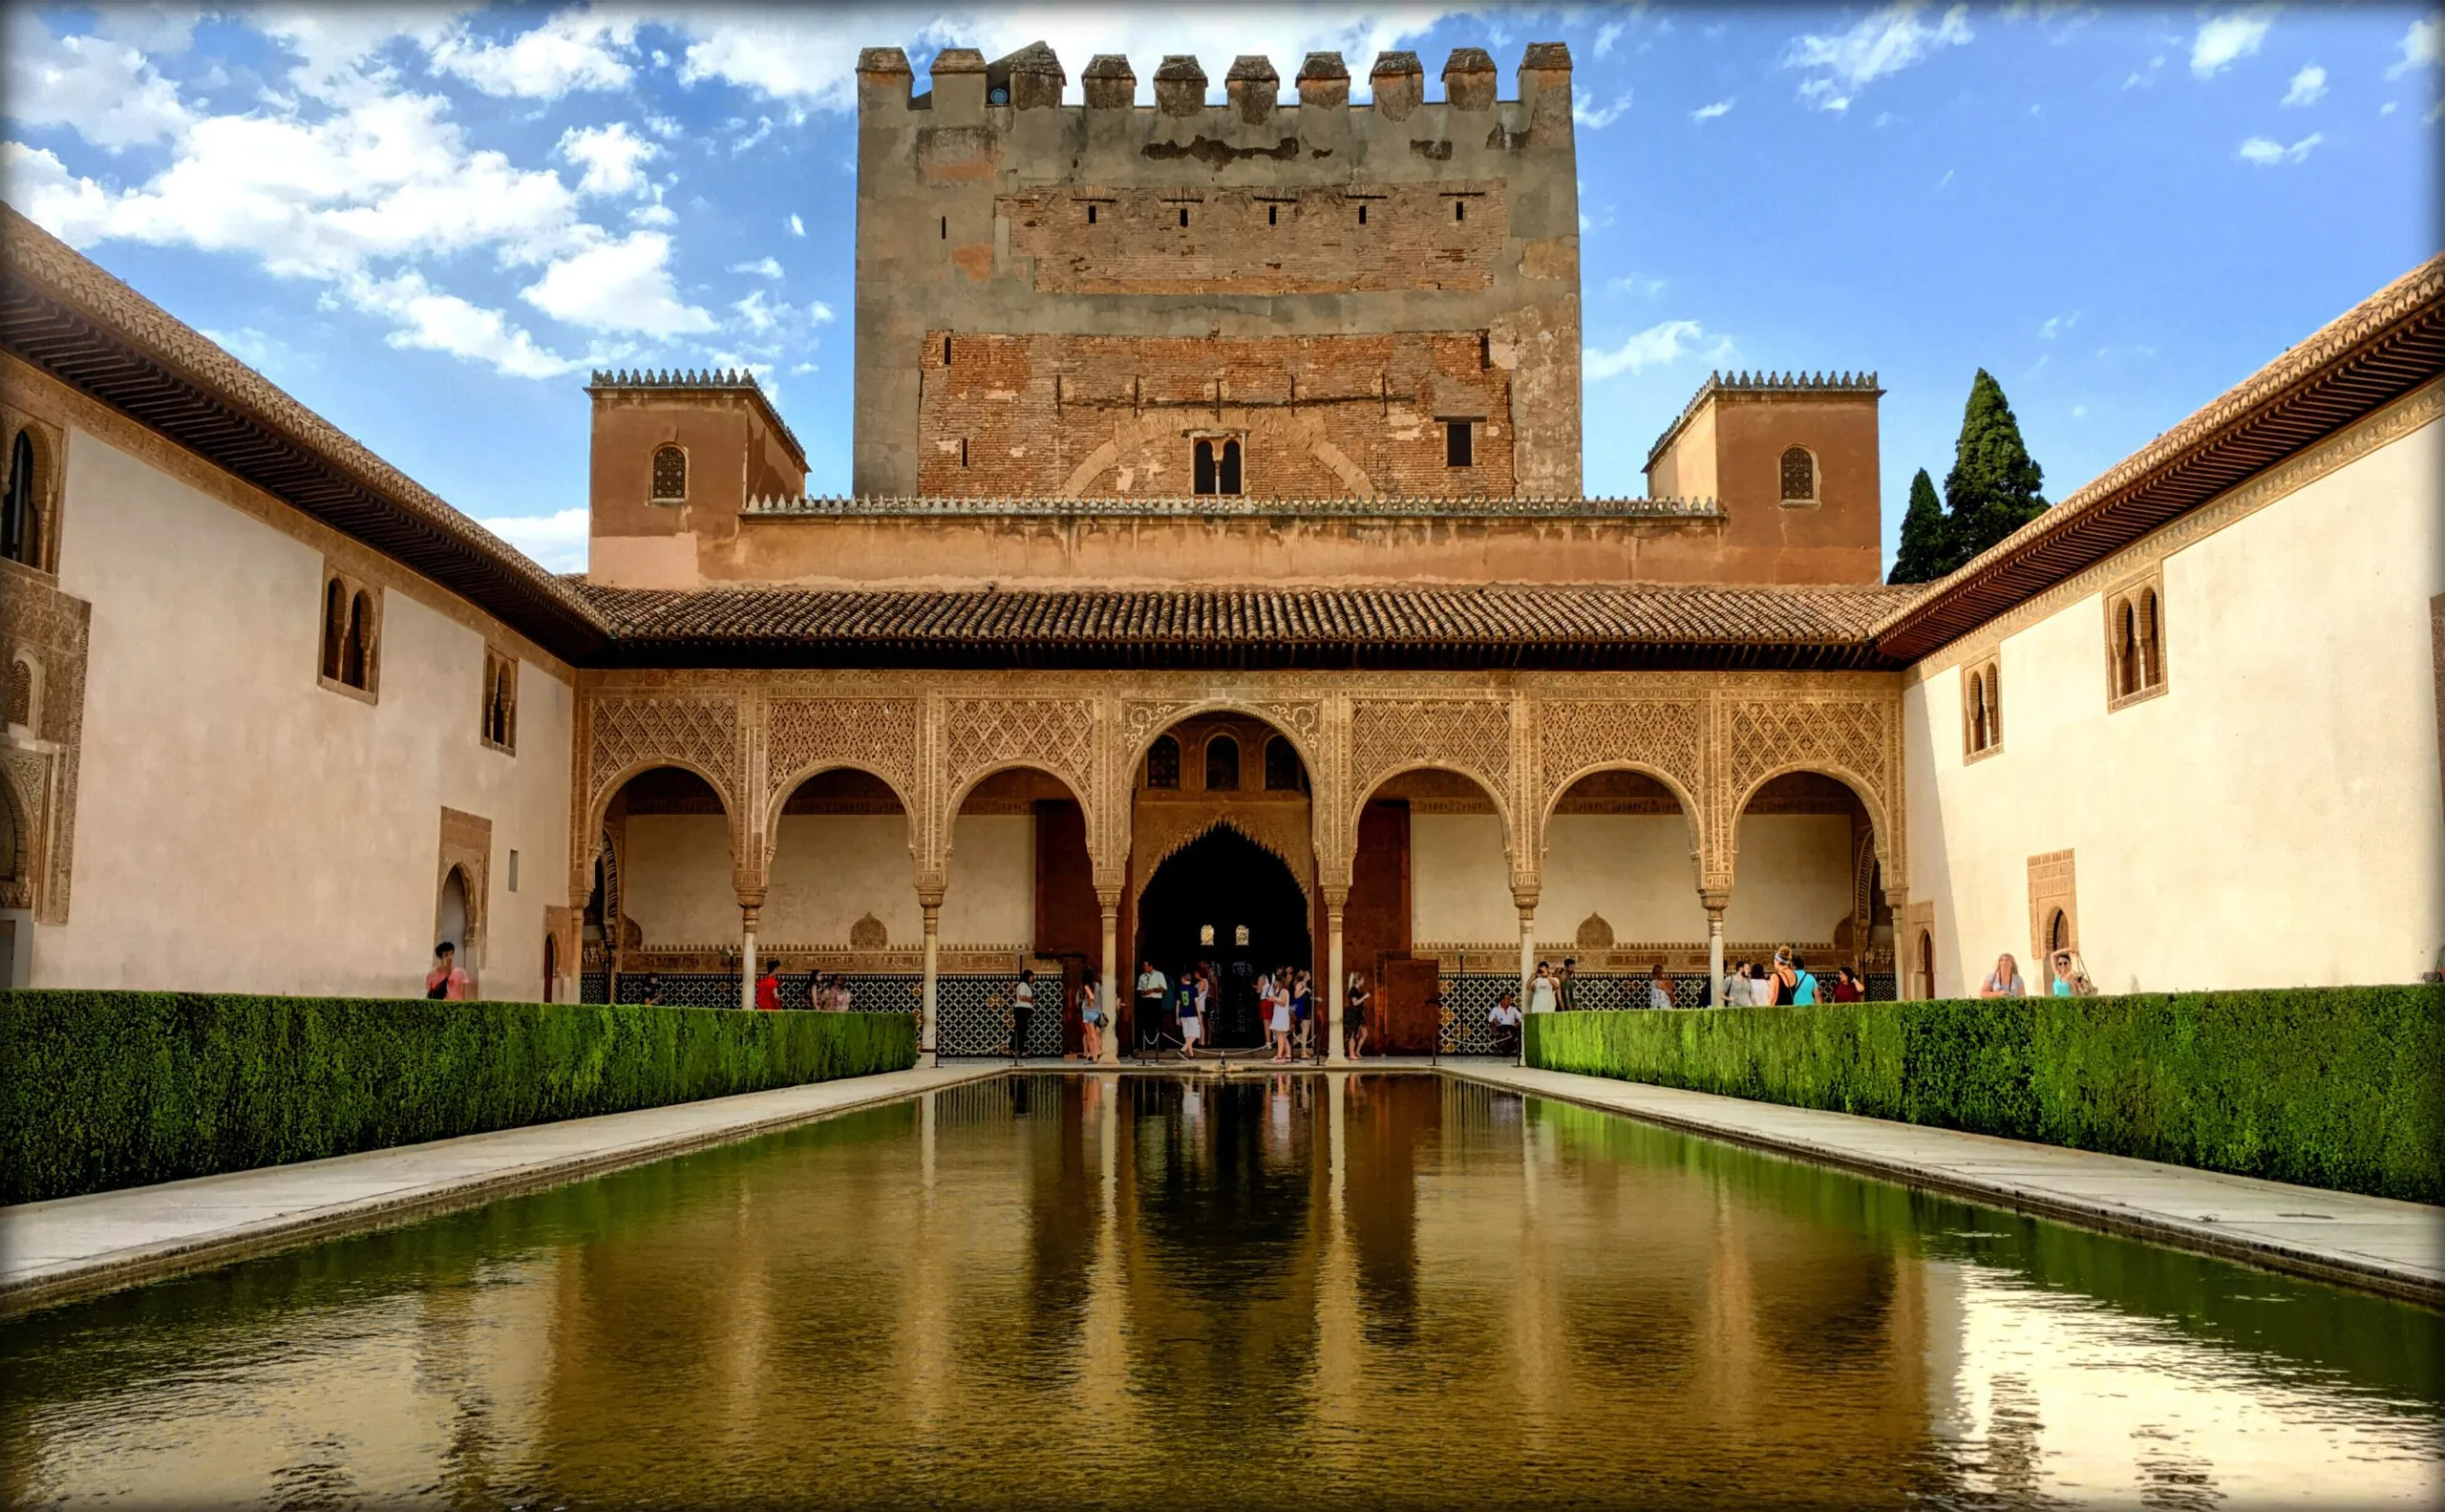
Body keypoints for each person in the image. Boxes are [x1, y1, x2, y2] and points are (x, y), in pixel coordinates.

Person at [1136, 960, 1167, 1043]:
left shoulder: (1159, 975)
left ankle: (1159, 1043)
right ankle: (1145, 1043)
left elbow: (1163, 988)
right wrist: (1143, 992)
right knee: (1145, 1022)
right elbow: (1139, 988)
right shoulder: (1142, 976)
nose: (1144, 968)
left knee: (1157, 1022)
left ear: (1151, 966)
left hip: (1155, 1001)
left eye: (1145, 966)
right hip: (1145, 1001)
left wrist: (1152, 990)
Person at [1488, 990, 1523, 1056]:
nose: (1510, 1000)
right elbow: (1490, 1019)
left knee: (1511, 1032)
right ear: (1502, 1000)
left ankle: (1506, 1049)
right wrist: (1494, 1020)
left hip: (1512, 1028)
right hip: (1501, 1028)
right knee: (1503, 1032)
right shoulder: (1496, 1009)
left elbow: (1521, 1017)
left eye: (1510, 999)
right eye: (1508, 999)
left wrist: (1517, 1024)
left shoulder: (1513, 1009)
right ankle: (1504, 1049)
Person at [1268, 971, 1294, 1062]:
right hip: (1278, 1014)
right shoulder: (1278, 990)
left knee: (1280, 1036)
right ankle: (1288, 1054)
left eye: (1275, 980)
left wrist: (1274, 999)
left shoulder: (1284, 991)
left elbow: (1283, 1002)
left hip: (1282, 1016)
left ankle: (1279, 1055)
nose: (1274, 982)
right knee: (1282, 1036)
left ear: (1279, 982)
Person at [1179, 970, 1204, 1058]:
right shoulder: (1193, 989)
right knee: (1195, 1034)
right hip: (1192, 1014)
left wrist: (1177, 1017)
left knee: (1187, 1035)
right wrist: (1199, 1015)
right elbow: (1196, 1003)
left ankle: (1191, 1054)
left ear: (1184, 979)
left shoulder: (1179, 989)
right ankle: (1182, 1050)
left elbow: (1178, 1004)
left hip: (1183, 1014)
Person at [1010, 969, 1036, 1058]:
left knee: (1021, 1030)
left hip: (1023, 1010)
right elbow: (1021, 997)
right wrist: (1031, 1000)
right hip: (1022, 1010)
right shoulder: (1023, 985)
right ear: (1028, 976)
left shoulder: (1024, 985)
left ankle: (1018, 1049)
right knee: (1020, 1030)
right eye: (1032, 977)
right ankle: (1017, 1049)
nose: (1033, 979)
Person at [1346, 971, 1371, 1058]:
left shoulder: (1357, 990)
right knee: (1354, 1034)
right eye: (1363, 980)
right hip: (1354, 1015)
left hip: (1359, 1014)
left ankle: (1357, 1051)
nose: (1364, 981)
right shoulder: (1353, 990)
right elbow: (1355, 1003)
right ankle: (1351, 1054)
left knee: (1364, 1033)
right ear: (1358, 981)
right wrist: (1364, 997)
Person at [1078, 972, 1103, 1060]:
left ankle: (1094, 1057)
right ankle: (1093, 1056)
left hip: (1088, 1012)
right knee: (1094, 1036)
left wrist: (1090, 1002)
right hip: (1097, 1011)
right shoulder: (1097, 985)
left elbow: (1091, 997)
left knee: (1091, 1036)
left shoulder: (1086, 986)